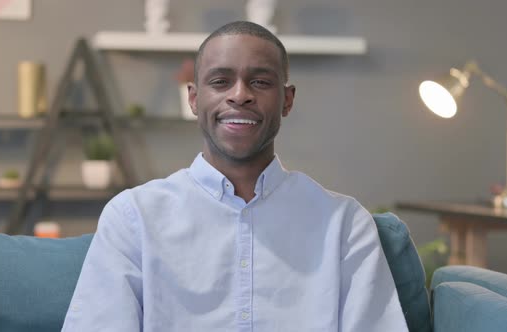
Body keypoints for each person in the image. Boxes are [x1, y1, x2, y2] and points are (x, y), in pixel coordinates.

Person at [62, 21, 408, 332]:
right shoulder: (132, 217)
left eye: (259, 82)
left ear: (287, 101)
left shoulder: (345, 225)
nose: (240, 94)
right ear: (194, 99)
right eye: (220, 81)